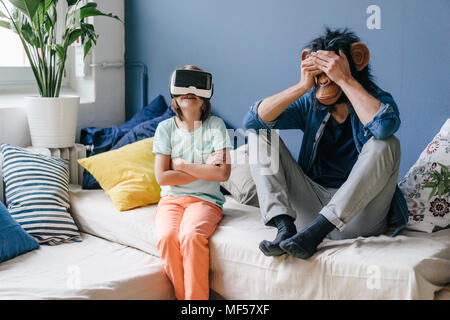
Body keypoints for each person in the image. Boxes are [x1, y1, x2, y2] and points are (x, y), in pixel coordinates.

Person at [243, 27, 408, 259]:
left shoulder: (377, 101)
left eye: (329, 70)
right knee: (259, 135)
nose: (324, 79)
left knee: (387, 144)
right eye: (319, 72)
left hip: (359, 215)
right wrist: (302, 86)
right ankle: (284, 228)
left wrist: (345, 78)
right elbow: (252, 121)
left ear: (356, 61)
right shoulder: (310, 105)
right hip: (311, 212)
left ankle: (317, 232)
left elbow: (383, 128)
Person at [153, 65, 232, 300]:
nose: (191, 90)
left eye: (198, 86)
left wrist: (182, 165)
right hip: (171, 200)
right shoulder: (164, 129)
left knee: (191, 236)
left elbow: (223, 174)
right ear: (174, 95)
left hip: (205, 201)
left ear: (206, 97)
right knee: (167, 237)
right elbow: (162, 177)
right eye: (184, 85)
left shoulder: (216, 125)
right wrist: (205, 168)